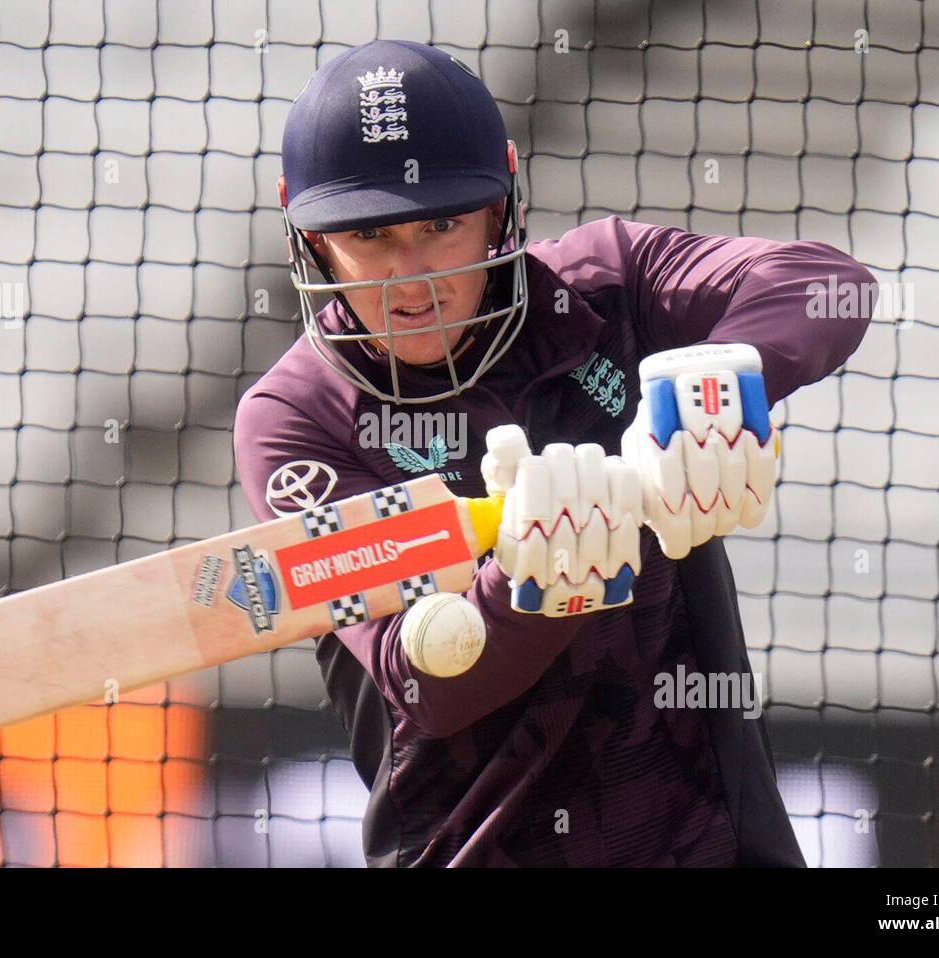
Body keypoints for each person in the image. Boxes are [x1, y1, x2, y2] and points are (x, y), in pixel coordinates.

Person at [233, 39, 873, 866]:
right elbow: (424, 683)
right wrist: (540, 579)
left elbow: (832, 284)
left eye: (443, 223)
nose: (414, 277)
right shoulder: (297, 419)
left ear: (502, 201)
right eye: (370, 236)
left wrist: (724, 372)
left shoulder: (609, 287)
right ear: (308, 232)